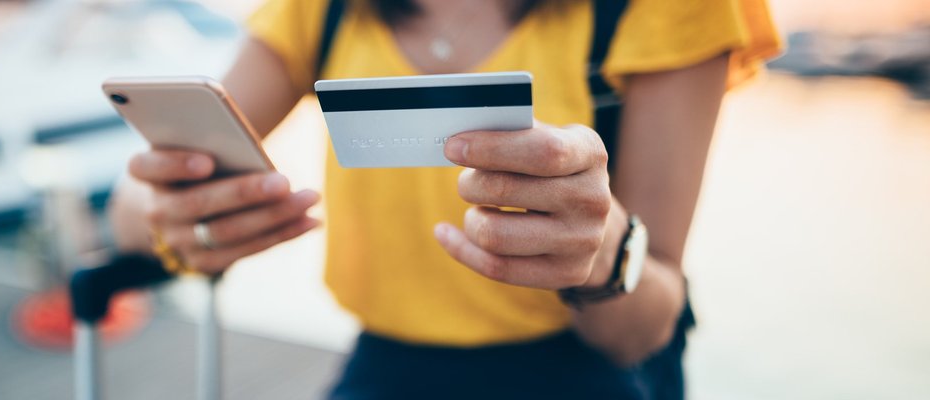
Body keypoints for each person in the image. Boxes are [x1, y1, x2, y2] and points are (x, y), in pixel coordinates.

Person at [110, 0, 782, 398]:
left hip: (581, 371)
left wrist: (599, 252)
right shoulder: (325, 8)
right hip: (387, 362)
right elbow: (131, 203)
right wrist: (173, 218)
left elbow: (642, 326)